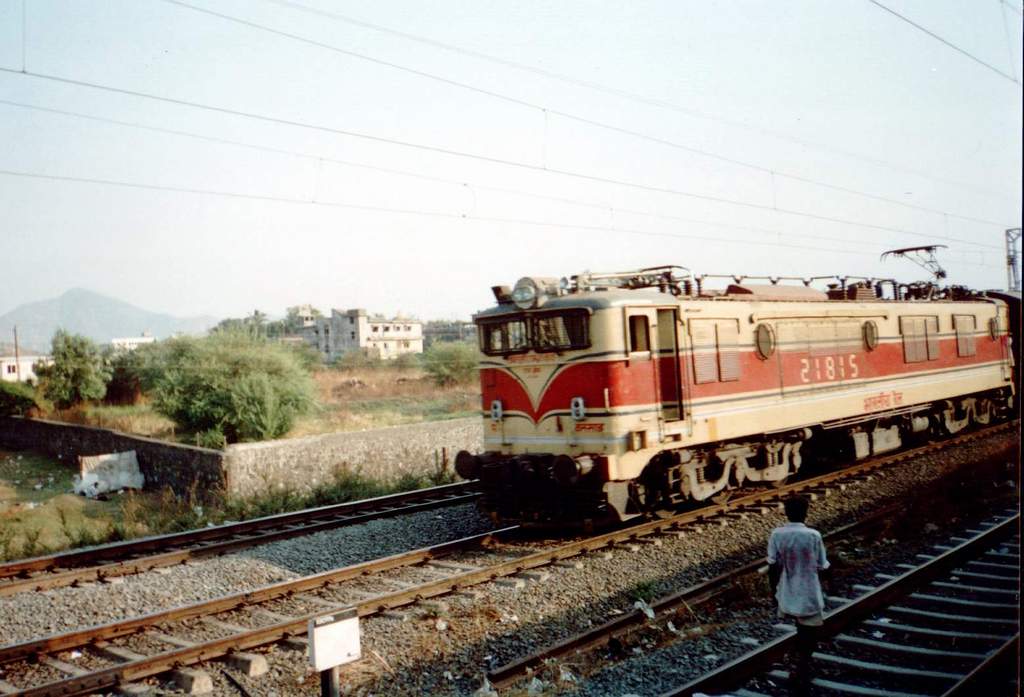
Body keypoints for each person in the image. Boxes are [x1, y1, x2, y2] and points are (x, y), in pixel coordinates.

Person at [767, 495, 830, 696]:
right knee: (810, 630)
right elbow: (822, 565)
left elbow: (773, 566)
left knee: (799, 626)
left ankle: (797, 662)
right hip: (809, 589)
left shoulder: (777, 534)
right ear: (806, 512)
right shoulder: (813, 535)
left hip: (787, 589)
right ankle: (802, 664)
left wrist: (773, 592)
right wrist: (830, 585)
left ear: (786, 513)